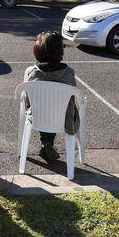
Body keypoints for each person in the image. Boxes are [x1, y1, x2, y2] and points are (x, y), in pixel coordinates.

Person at [23, 31, 79, 163]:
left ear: (37, 51)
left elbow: (26, 97)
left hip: (38, 116)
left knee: (42, 107)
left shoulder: (31, 72)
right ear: (60, 53)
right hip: (64, 117)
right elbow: (74, 96)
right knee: (59, 108)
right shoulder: (69, 73)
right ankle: (48, 144)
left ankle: (46, 143)